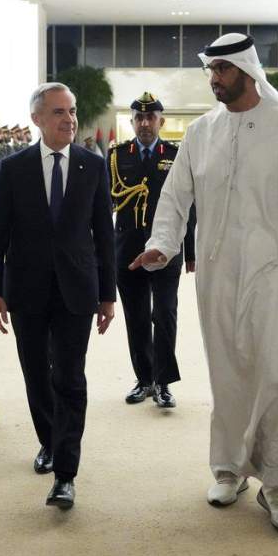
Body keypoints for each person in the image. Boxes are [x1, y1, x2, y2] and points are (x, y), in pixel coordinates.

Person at [130, 33, 278, 534]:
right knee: (228, 371)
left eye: (222, 70)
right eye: (211, 71)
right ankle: (229, 469)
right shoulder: (202, 132)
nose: (214, 79)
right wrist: (164, 243)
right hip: (218, 269)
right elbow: (176, 196)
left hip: (277, 268)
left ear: (246, 69)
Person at [0, 83, 116, 511]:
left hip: (78, 290)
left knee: (70, 379)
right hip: (27, 290)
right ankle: (49, 441)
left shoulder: (92, 166)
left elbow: (104, 236)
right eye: (59, 112)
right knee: (37, 375)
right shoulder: (14, 168)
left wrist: (107, 294)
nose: (69, 120)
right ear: (37, 119)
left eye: (73, 111)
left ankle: (65, 472)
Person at [108, 92, 196, 409]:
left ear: (161, 121)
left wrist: (190, 252)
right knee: (137, 318)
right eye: (139, 118)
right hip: (127, 250)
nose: (145, 123)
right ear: (132, 122)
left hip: (166, 249)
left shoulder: (177, 154)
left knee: (166, 315)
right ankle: (144, 379)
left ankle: (163, 383)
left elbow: (189, 204)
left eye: (151, 117)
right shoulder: (117, 156)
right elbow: (105, 206)